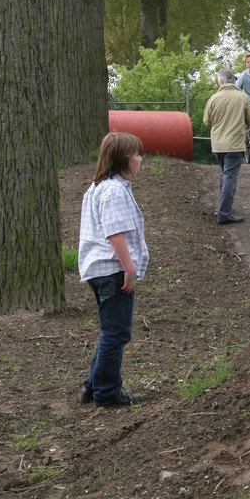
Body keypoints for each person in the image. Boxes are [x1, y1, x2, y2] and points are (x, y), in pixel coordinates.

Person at [77, 132, 150, 408]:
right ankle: (107, 394)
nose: (141, 159)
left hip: (98, 270)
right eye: (137, 154)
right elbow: (114, 234)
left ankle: (92, 386)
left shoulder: (98, 187)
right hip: (112, 270)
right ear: (124, 158)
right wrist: (129, 269)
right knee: (117, 333)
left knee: (111, 331)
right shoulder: (114, 191)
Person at [203, 68, 250, 225]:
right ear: (233, 81)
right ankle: (224, 213)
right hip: (235, 145)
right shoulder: (242, 97)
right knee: (229, 178)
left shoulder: (213, 98)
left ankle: (223, 208)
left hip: (218, 145)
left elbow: (206, 121)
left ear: (221, 82)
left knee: (225, 176)